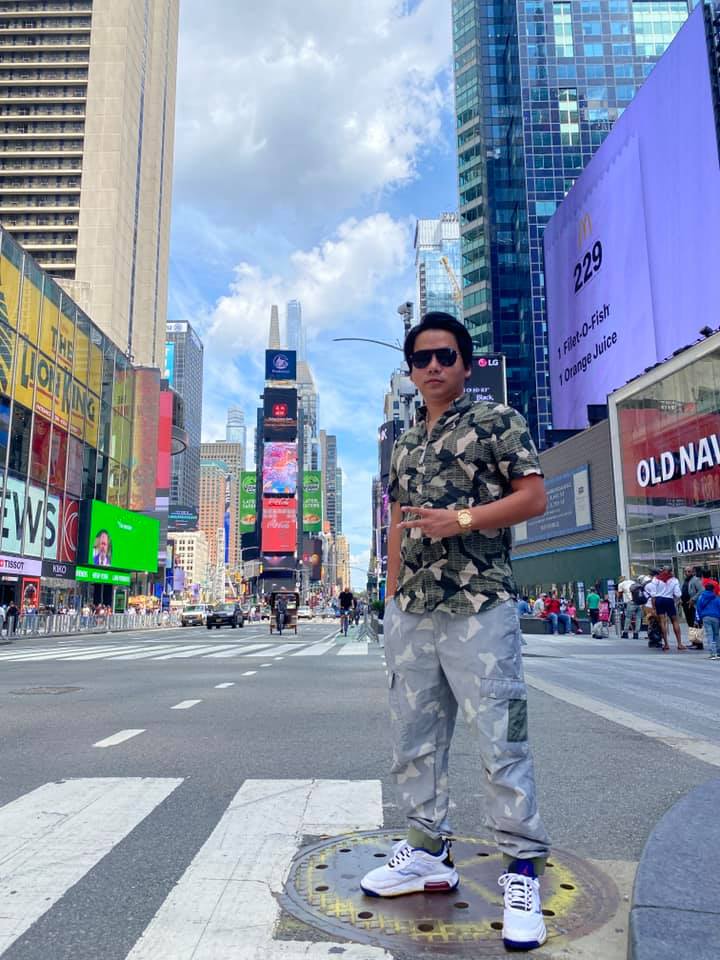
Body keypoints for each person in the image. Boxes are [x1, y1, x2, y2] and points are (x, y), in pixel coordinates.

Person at [360, 312, 550, 951]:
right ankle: (426, 851)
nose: (434, 366)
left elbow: (532, 498)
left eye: (445, 355)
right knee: (414, 740)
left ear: (465, 364)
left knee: (501, 739)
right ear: (411, 371)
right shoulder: (404, 442)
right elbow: (397, 521)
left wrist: (461, 520)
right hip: (413, 612)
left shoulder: (497, 421)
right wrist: (390, 599)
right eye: (422, 359)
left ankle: (521, 868)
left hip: (480, 606)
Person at [650, 566, 686, 652]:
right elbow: (678, 594)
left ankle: (666, 644)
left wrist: (653, 607)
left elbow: (653, 594)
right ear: (671, 571)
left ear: (663, 570)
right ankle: (679, 644)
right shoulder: (674, 580)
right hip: (669, 600)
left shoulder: (656, 579)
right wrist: (675, 599)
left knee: (662, 622)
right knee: (675, 621)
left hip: (659, 600)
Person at [696, 579, 720, 659]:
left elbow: (698, 608)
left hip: (706, 617)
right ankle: (718, 652)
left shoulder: (701, 597)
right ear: (713, 589)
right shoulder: (716, 598)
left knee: (709, 635)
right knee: (716, 634)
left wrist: (699, 619)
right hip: (716, 617)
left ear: (705, 588)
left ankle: (712, 653)